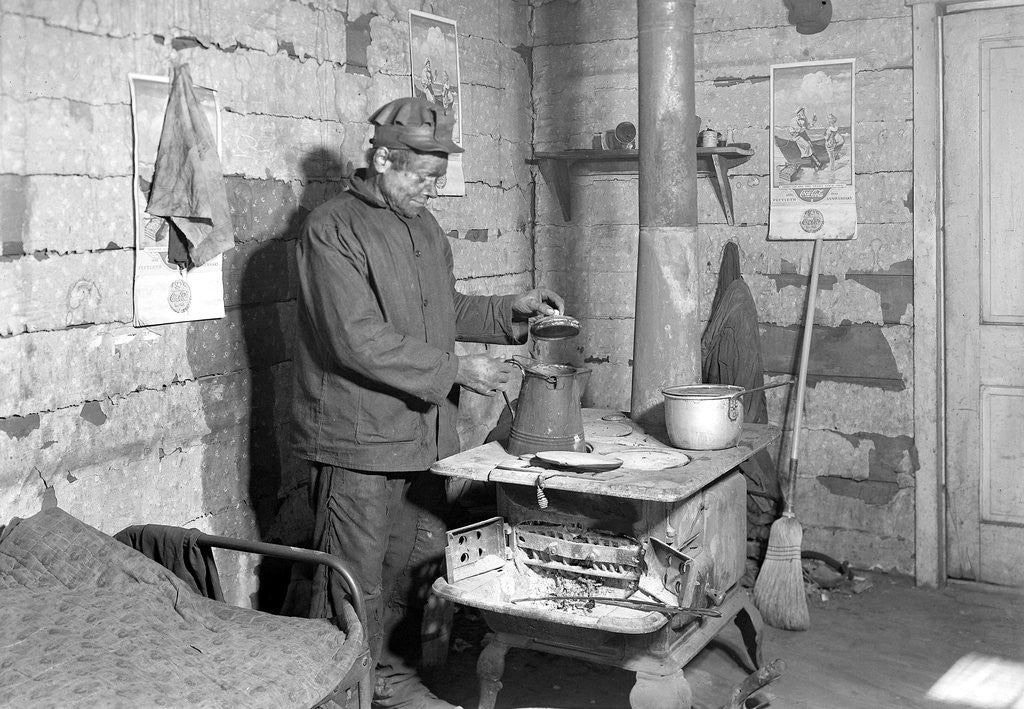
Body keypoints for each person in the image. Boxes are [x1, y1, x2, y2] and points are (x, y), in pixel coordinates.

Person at [291, 95, 564, 709]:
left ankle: (385, 679)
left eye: (439, 179)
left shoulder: (422, 227)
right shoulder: (330, 229)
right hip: (357, 440)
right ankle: (338, 694)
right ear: (383, 158)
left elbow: (441, 313)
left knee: (406, 571)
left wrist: (505, 311)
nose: (432, 191)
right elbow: (354, 339)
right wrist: (456, 370)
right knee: (351, 580)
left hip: (420, 437)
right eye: (423, 178)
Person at [789, 106, 822, 171]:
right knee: (807, 146)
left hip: (803, 134)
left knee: (811, 146)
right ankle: (817, 162)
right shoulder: (793, 121)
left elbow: (808, 127)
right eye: (802, 112)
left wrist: (813, 122)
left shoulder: (804, 118)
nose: (804, 113)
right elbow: (799, 130)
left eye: (803, 112)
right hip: (796, 136)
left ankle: (815, 165)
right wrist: (804, 128)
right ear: (798, 113)